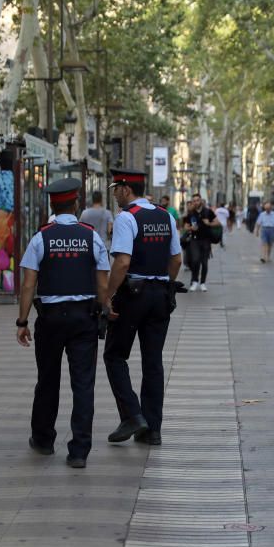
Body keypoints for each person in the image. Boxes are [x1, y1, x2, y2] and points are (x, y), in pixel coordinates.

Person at [17, 178, 110, 469]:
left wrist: (22, 321)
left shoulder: (40, 237)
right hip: (84, 319)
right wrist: (104, 308)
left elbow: (29, 284)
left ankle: (43, 440)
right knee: (83, 385)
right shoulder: (91, 236)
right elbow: (102, 281)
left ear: (52, 205)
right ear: (76, 203)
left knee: (47, 380)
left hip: (50, 319)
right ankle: (79, 451)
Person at [104, 168, 183, 447]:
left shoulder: (127, 217)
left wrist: (107, 295)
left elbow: (122, 262)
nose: (114, 195)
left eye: (115, 189)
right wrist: (165, 285)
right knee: (153, 362)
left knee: (114, 356)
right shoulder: (165, 216)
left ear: (126, 189)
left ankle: (132, 415)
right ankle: (153, 430)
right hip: (160, 295)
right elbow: (176, 259)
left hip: (132, 296)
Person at [183, 194, 219, 291]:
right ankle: (194, 281)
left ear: (201, 201)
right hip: (194, 240)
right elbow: (185, 226)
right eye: (194, 201)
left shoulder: (208, 212)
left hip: (206, 240)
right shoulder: (190, 213)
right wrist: (191, 228)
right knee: (195, 260)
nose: (196, 202)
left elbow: (218, 222)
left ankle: (202, 283)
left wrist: (209, 223)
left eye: (197, 200)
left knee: (204, 263)